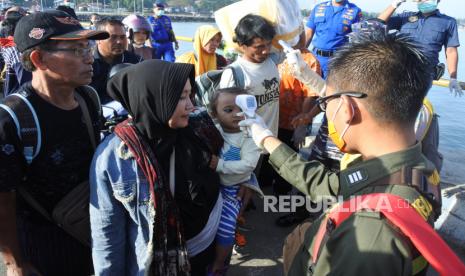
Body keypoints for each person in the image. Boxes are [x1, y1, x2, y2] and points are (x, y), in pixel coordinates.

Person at [240, 29, 444, 275]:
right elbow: (332, 185)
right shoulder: (416, 170)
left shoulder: (370, 232)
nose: (326, 110)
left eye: (327, 103)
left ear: (347, 109)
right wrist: (267, 139)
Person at [90, 60, 234, 275]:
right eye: (180, 97)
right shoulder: (117, 155)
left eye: (189, 95)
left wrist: (247, 181)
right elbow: (107, 232)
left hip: (206, 249)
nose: (190, 106)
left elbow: (234, 151)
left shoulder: (199, 129)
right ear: (153, 98)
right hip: (156, 264)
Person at [0, 10, 108, 275]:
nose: (89, 57)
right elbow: (3, 200)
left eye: (88, 46)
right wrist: (15, 263)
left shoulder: (88, 98)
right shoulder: (12, 119)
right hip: (40, 249)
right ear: (38, 58)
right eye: (77, 49)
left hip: (89, 235)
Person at [207, 88, 261, 274]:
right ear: (214, 114)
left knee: (225, 229)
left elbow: (249, 164)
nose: (237, 114)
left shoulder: (249, 134)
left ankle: (220, 264)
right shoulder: (213, 129)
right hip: (214, 186)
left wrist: (219, 165)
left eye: (240, 109)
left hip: (233, 188)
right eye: (228, 110)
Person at [274, 35, 323, 227]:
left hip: (294, 118)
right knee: (273, 153)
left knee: (288, 156)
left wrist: (303, 120)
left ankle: (283, 194)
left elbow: (311, 94)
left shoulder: (309, 60)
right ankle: (273, 187)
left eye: (299, 34)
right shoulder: (278, 55)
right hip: (275, 116)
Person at [378, 0, 462, 96]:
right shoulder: (405, 17)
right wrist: (395, 4)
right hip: (398, 70)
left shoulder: (449, 22)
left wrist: (453, 78)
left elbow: (451, 52)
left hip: (424, 76)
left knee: (410, 105)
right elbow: (378, 23)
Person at [90, 17, 143, 104]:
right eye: (113, 37)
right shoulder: (86, 62)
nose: (119, 42)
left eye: (122, 37)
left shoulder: (136, 61)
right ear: (98, 39)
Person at [305, 0, 362, 79]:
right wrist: (299, 54)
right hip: (314, 59)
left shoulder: (355, 11)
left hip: (336, 62)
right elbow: (308, 34)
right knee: (310, 89)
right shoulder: (318, 8)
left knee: (331, 91)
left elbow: (357, 41)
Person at [0, 10, 31, 96]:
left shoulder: (5, 45)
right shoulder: (17, 50)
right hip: (19, 98)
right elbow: (26, 82)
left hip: (10, 95)